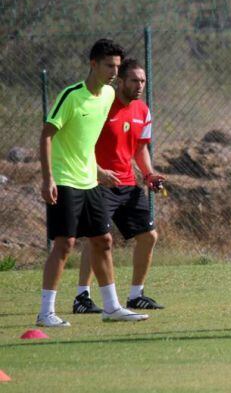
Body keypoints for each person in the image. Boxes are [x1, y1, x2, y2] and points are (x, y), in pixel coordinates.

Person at [38, 39, 149, 327]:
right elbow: (47, 135)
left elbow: (84, 142)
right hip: (64, 180)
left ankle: (112, 307)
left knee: (103, 240)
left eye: (116, 66)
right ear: (93, 64)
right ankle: (46, 312)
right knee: (65, 244)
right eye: (108, 65)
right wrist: (48, 177)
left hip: (89, 181)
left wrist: (98, 170)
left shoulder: (108, 95)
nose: (114, 71)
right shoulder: (72, 96)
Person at [72, 58, 166, 314]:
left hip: (127, 184)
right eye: (134, 80)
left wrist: (148, 174)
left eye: (143, 81)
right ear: (121, 81)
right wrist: (97, 172)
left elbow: (140, 149)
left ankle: (136, 295)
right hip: (98, 182)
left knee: (149, 236)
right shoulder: (101, 105)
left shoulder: (143, 111)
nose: (139, 85)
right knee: (98, 239)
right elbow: (82, 143)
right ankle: (82, 297)